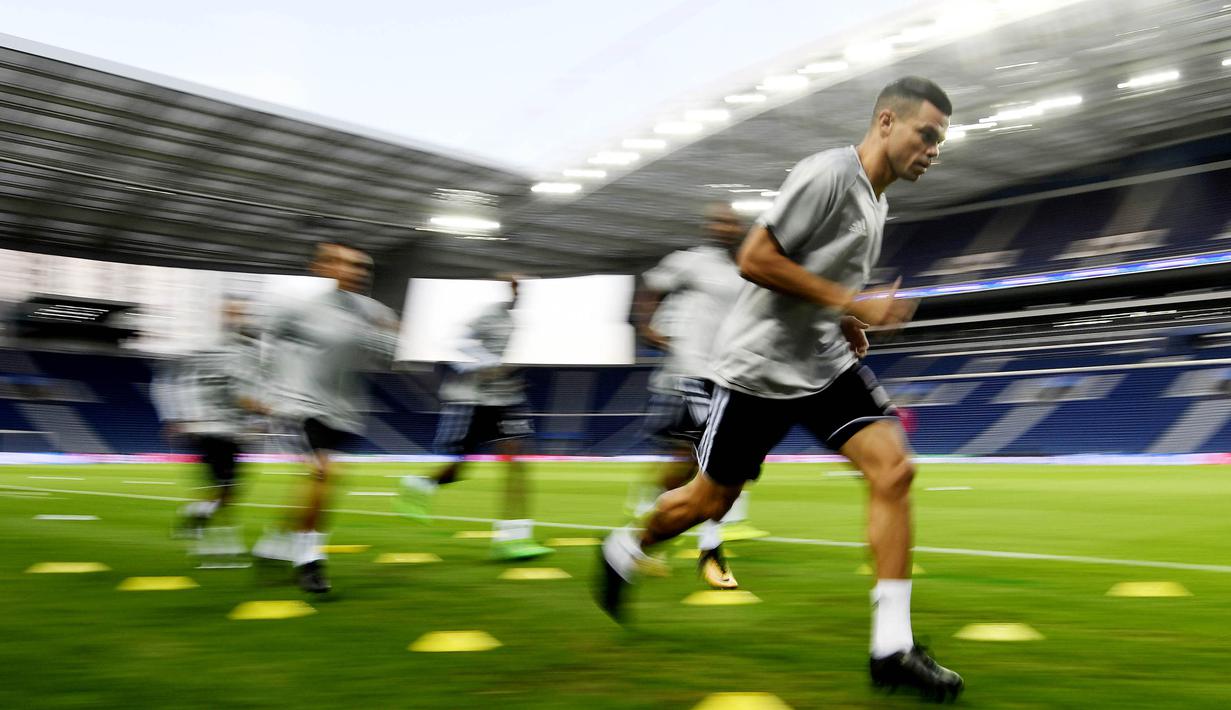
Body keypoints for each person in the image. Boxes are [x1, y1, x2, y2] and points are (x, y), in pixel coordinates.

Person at [596, 77, 964, 702]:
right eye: (925, 134)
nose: (932, 150)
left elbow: (814, 279)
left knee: (894, 471)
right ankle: (624, 548)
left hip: (823, 365)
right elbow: (756, 259)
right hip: (759, 372)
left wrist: (843, 319)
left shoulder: (877, 202)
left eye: (940, 142)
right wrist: (854, 303)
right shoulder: (829, 175)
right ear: (886, 122)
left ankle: (892, 649)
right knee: (707, 502)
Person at [632, 203, 767, 589]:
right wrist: (647, 327)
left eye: (731, 222)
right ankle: (702, 547)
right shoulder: (690, 261)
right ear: (710, 227)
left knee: (699, 463)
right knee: (706, 461)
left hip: (729, 375)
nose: (725, 227)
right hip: (692, 371)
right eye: (719, 221)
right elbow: (651, 286)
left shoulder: (746, 269)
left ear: (739, 228)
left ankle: (651, 531)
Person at [251, 242, 399, 594]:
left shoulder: (374, 311)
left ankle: (276, 539)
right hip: (300, 403)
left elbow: (385, 357)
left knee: (318, 483)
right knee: (324, 473)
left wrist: (388, 334)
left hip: (345, 410)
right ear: (320, 267)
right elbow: (263, 342)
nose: (353, 271)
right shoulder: (297, 307)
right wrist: (264, 390)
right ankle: (309, 561)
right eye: (341, 263)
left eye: (360, 266)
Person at [398, 276, 552, 561]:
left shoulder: (512, 321)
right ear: (506, 288)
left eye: (522, 287)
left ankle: (513, 539)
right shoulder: (488, 313)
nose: (519, 292)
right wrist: (488, 365)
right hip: (474, 400)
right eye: (515, 286)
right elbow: (458, 343)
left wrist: (507, 374)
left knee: (517, 463)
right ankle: (420, 484)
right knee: (459, 469)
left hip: (504, 399)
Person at [152, 298, 263, 567]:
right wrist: (264, 411)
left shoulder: (213, 352)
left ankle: (198, 518)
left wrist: (176, 418)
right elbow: (240, 394)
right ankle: (223, 546)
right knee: (225, 489)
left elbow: (174, 384)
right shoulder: (233, 354)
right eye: (234, 312)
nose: (239, 317)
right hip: (218, 431)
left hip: (219, 431)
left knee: (226, 491)